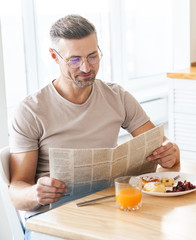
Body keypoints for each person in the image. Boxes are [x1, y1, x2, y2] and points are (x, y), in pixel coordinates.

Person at [9, 14, 180, 220]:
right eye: (74, 60)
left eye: (92, 56)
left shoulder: (117, 96)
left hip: (106, 209)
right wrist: (34, 192)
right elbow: (17, 190)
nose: (86, 68)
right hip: (53, 217)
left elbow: (159, 144)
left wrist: (170, 151)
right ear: (54, 57)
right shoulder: (31, 110)